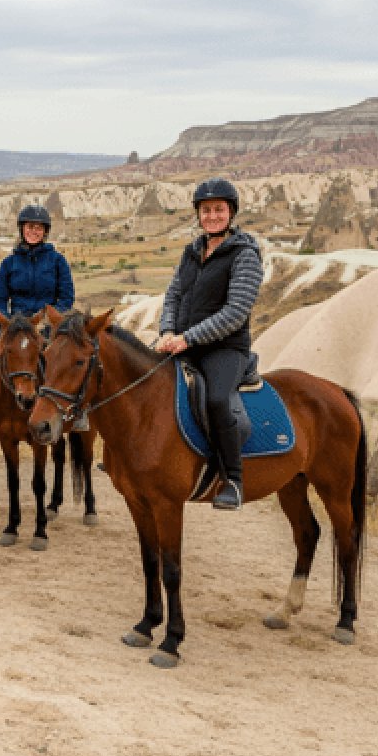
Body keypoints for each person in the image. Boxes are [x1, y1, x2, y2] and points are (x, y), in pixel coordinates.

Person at [154, 178, 264, 510]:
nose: (212, 216)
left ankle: (232, 479)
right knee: (143, 379)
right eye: (206, 210)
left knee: (217, 399)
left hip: (225, 348)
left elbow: (235, 312)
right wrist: (166, 331)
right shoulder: (191, 252)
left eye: (218, 209)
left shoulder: (245, 255)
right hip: (180, 342)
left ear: (230, 212)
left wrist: (188, 338)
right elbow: (173, 295)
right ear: (198, 215)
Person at [0, 204, 74, 426]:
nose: (33, 231)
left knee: (72, 358)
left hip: (45, 324)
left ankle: (76, 412)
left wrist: (49, 317)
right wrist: (6, 323)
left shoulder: (57, 261)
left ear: (45, 232)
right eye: (29, 227)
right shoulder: (9, 263)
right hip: (14, 325)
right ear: (22, 229)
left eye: (38, 228)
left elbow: (66, 298)